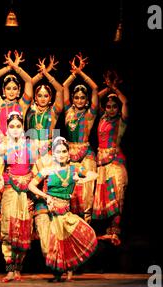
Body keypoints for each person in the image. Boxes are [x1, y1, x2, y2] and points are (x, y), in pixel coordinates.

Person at [28, 136, 98, 282]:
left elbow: (94, 174)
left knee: (70, 240)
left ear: (68, 153)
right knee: (53, 244)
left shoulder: (75, 168)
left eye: (64, 151)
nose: (62, 154)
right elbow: (31, 185)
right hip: (51, 210)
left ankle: (68, 272)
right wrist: (45, 196)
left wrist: (82, 179)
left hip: (65, 211)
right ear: (54, 154)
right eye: (58, 152)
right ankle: (58, 272)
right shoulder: (48, 170)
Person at [0, 111, 37, 282]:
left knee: (24, 229)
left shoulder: (32, 146)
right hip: (9, 189)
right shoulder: (3, 146)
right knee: (8, 227)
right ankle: (9, 269)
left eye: (18, 126)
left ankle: (18, 269)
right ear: (7, 128)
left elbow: (39, 168)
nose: (15, 129)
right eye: (12, 126)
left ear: (23, 127)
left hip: (26, 191)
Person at [26, 57, 64, 261]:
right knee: (29, 189)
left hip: (48, 154)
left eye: (44, 95)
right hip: (31, 153)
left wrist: (47, 74)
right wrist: (39, 74)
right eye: (38, 95)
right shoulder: (29, 110)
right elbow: (28, 86)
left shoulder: (53, 112)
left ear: (49, 98)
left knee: (46, 189)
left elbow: (60, 91)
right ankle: (32, 227)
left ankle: (50, 224)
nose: (41, 98)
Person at [92, 70, 128, 246]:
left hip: (115, 161)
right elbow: (95, 99)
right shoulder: (102, 117)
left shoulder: (121, 121)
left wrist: (115, 88)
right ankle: (107, 231)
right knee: (104, 196)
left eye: (115, 106)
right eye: (109, 106)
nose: (112, 109)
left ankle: (115, 232)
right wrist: (107, 88)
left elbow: (126, 102)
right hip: (101, 161)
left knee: (116, 194)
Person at [63, 53, 99, 222]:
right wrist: (74, 73)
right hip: (69, 150)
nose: (78, 100)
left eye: (82, 98)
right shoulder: (68, 111)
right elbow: (64, 86)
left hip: (86, 151)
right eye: (76, 97)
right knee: (69, 182)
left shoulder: (90, 114)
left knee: (87, 184)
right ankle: (71, 218)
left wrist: (82, 73)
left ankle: (87, 219)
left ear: (86, 101)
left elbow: (95, 89)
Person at [0, 50, 33, 137]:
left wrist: (16, 68)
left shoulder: (22, 105)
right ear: (3, 90)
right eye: (8, 88)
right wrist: (9, 67)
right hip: (1, 145)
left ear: (19, 90)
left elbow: (28, 81)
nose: (12, 92)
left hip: (19, 146)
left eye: (14, 88)